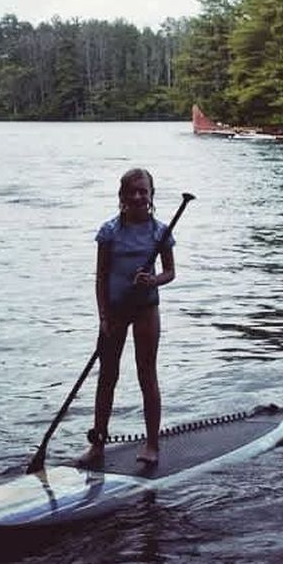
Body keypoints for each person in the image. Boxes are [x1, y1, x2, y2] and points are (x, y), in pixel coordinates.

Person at [78, 167, 176, 467]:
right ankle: (97, 447)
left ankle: (152, 445)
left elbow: (170, 272)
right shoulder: (109, 231)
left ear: (151, 195)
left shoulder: (160, 232)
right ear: (121, 196)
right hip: (115, 311)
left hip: (146, 309)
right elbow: (101, 277)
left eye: (142, 191)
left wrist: (153, 281)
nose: (137, 197)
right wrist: (104, 317)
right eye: (131, 191)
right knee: (107, 376)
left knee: (147, 375)